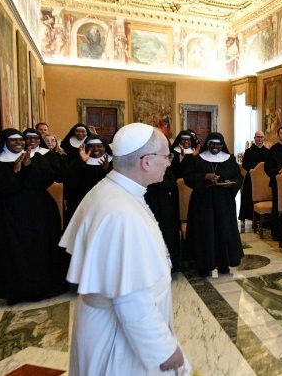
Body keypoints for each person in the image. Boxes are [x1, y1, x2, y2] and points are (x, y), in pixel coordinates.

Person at [59, 123, 188, 375]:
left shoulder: (114, 191)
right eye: (166, 156)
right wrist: (163, 350)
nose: (169, 162)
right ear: (146, 161)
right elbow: (132, 299)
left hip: (109, 327)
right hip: (117, 340)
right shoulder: (121, 214)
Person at [0, 129, 67, 305]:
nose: (18, 143)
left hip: (38, 214)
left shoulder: (36, 158)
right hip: (8, 217)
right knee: (13, 252)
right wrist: (14, 172)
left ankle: (42, 287)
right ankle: (16, 291)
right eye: (13, 141)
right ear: (4, 143)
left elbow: (46, 180)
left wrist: (28, 167)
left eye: (21, 140)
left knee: (39, 249)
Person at [184, 132, 244, 276]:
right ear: (208, 144)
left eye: (218, 144)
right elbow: (188, 178)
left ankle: (224, 264)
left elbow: (238, 177)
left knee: (224, 230)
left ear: (222, 145)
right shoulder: (198, 159)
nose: (215, 147)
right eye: (212, 144)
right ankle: (204, 265)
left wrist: (230, 184)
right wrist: (205, 176)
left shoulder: (229, 159)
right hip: (203, 203)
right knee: (205, 232)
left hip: (224, 202)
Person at [145, 133, 182, 271]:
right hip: (148, 201)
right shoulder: (145, 155)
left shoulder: (168, 155)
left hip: (166, 203)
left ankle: (171, 264)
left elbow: (170, 180)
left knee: (168, 232)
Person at [63, 134, 112, 227]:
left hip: (104, 203)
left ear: (105, 147)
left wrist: (105, 170)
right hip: (81, 202)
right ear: (86, 148)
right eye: (91, 146)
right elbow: (70, 182)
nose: (96, 149)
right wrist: (82, 162)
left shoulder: (112, 162)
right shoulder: (77, 162)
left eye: (99, 146)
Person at [239, 131, 269, 223]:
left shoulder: (268, 152)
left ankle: (265, 218)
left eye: (261, 137)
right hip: (251, 179)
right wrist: (255, 171)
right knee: (248, 196)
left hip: (265, 180)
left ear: (264, 138)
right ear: (254, 138)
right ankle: (250, 216)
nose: (260, 139)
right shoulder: (249, 151)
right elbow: (245, 165)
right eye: (258, 137)